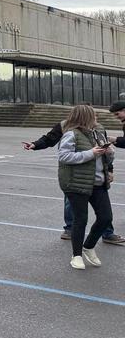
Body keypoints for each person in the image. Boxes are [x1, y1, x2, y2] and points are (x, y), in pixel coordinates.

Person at [24, 116, 124, 244]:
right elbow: (49, 139)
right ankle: (70, 230)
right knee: (71, 205)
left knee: (104, 212)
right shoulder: (65, 126)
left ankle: (107, 233)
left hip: (96, 175)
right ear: (82, 114)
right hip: (74, 176)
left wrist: (110, 170)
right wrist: (35, 145)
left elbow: (105, 151)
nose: (95, 118)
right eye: (92, 115)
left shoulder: (99, 128)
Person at [57, 104, 114, 270]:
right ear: (85, 117)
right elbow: (64, 156)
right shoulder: (71, 134)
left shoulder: (98, 132)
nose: (96, 118)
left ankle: (88, 247)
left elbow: (106, 159)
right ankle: (76, 255)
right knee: (80, 219)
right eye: (93, 115)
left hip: (98, 183)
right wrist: (91, 153)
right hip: (76, 183)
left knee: (106, 218)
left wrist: (109, 153)